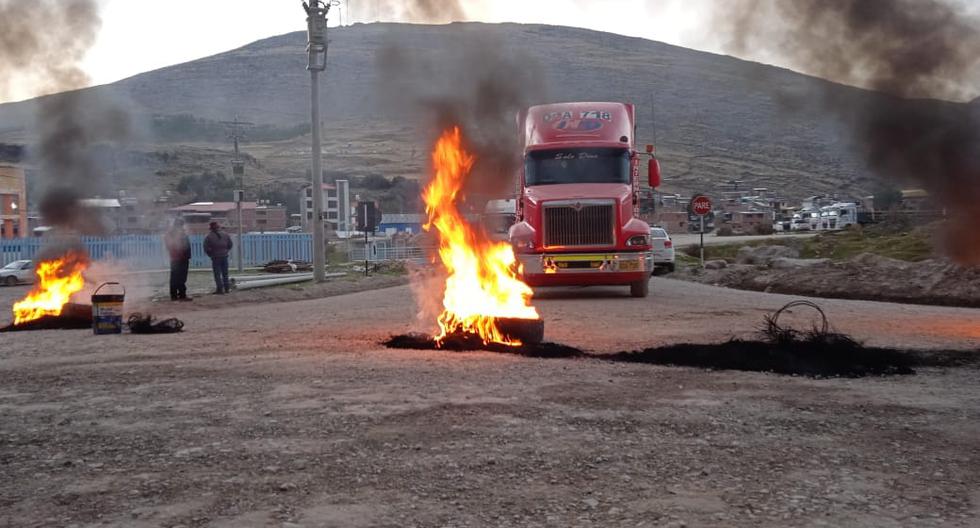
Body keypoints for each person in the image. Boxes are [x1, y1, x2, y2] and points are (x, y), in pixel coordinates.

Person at [164, 218, 192, 301]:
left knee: (175, 277)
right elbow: (183, 246)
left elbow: (168, 246)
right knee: (181, 277)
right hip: (181, 258)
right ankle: (182, 295)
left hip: (175, 258)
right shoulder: (179, 234)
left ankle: (174, 295)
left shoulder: (170, 233)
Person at [203, 221, 233, 294]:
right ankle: (227, 289)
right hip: (224, 256)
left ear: (211, 228)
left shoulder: (209, 237)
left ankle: (220, 290)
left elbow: (206, 248)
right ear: (218, 227)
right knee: (225, 273)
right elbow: (230, 245)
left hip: (216, 257)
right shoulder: (226, 235)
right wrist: (225, 251)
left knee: (217, 274)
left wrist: (211, 255)